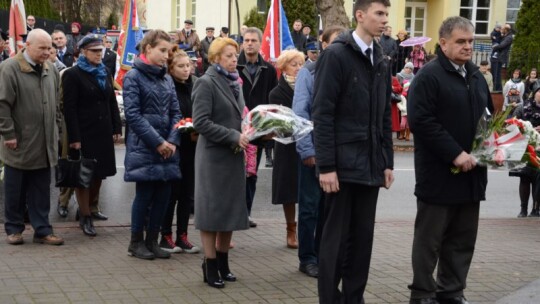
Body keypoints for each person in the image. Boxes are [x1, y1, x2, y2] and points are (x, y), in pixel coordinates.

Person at [312, 0, 394, 302]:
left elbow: (384, 115)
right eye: (379, 14)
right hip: (341, 166)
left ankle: (353, 298)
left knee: (362, 241)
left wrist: (387, 161)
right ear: (360, 16)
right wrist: (327, 166)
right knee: (336, 240)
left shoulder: (381, 58)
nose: (385, 20)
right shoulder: (336, 55)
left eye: (386, 14)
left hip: (371, 166)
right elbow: (322, 114)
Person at [407, 16, 493, 304]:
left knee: (462, 239)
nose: (468, 46)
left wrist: (494, 145)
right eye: (461, 41)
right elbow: (422, 121)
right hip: (439, 175)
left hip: (472, 174)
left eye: (470, 41)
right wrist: (455, 153)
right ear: (443, 43)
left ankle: (452, 291)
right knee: (430, 241)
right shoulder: (428, 77)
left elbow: (487, 120)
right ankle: (422, 293)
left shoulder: (476, 76)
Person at [192, 37, 249, 288]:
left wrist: (253, 130)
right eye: (228, 55)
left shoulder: (236, 82)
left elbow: (240, 116)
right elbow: (201, 123)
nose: (234, 59)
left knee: (229, 212)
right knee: (212, 213)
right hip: (214, 157)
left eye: (235, 55)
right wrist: (233, 136)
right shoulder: (206, 83)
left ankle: (224, 263)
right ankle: (210, 264)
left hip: (233, 155)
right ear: (215, 58)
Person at [0, 28, 64, 246]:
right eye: (43, 48)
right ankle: (14, 229)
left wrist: (55, 128)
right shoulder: (10, 68)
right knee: (15, 189)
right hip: (19, 141)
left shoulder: (51, 69)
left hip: (45, 142)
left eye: (50, 48)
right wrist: (8, 134)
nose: (47, 52)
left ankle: (42, 230)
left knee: (41, 189)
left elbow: (56, 103)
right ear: (27, 46)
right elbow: (2, 104)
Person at [293, 25, 346, 278]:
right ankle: (308, 258)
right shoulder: (309, 72)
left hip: (337, 153)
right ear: (323, 44)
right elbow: (300, 113)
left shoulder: (345, 70)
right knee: (310, 208)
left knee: (329, 209)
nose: (339, 46)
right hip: (314, 150)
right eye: (334, 41)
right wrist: (307, 150)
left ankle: (324, 254)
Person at [123, 29, 182, 260]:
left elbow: (176, 112)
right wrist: (158, 142)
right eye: (162, 50)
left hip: (167, 148)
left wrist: (173, 141)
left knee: (163, 196)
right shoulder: (133, 77)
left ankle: (152, 241)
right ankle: (136, 243)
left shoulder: (166, 77)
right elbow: (133, 115)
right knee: (145, 195)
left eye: (168, 51)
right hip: (145, 148)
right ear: (148, 49)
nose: (167, 56)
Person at [62, 34, 122, 236]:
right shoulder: (73, 74)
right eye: (95, 51)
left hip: (103, 131)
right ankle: (85, 217)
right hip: (84, 132)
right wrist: (75, 138)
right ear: (83, 52)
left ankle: (88, 208)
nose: (99, 54)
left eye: (100, 51)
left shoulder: (104, 71)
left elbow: (111, 101)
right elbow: (69, 109)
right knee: (84, 176)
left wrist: (116, 127)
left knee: (100, 173)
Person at [159, 46, 200, 254]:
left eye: (189, 65)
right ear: (171, 68)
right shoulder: (168, 86)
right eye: (181, 66)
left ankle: (182, 235)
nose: (186, 70)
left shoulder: (194, 86)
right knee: (171, 193)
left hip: (192, 147)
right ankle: (165, 235)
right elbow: (168, 117)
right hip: (175, 146)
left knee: (187, 194)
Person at [237, 27, 278, 227]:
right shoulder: (234, 65)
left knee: (251, 173)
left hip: (258, 129)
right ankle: (233, 213)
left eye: (254, 40)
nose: (250, 43)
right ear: (242, 42)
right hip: (237, 128)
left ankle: (246, 212)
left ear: (260, 43)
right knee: (235, 173)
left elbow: (273, 100)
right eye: (247, 40)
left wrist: (270, 127)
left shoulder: (269, 69)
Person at [269, 49, 305, 249]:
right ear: (283, 68)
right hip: (286, 145)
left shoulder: (308, 87)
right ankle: (291, 229)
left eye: (300, 64)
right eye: (294, 64)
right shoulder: (276, 92)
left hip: (306, 142)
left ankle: (306, 228)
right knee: (288, 190)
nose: (298, 68)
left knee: (307, 189)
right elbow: (274, 122)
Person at [514, 87, 540, 218]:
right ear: (535, 93)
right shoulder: (523, 107)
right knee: (525, 177)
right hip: (524, 146)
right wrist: (527, 129)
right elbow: (512, 123)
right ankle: (523, 209)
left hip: (539, 149)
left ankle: (536, 209)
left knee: (538, 179)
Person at [491, 24, 513, 92]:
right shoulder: (504, 36)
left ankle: (497, 89)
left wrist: (494, 47)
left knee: (497, 74)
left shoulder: (509, 37)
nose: (501, 30)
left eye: (502, 29)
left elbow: (502, 45)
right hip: (496, 57)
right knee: (494, 73)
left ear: (506, 30)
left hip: (499, 57)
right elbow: (493, 35)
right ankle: (496, 88)